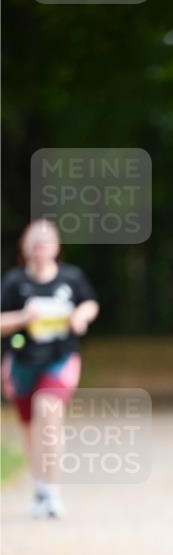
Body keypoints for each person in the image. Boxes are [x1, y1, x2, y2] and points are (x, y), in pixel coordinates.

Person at [0, 219, 99, 517]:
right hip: (23, 362)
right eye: (35, 242)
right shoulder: (15, 282)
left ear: (57, 247)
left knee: (49, 410)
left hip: (61, 358)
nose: (41, 247)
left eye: (47, 241)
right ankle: (41, 488)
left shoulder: (71, 278)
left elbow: (91, 303)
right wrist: (23, 318)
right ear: (25, 247)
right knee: (31, 429)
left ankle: (53, 491)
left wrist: (81, 316)